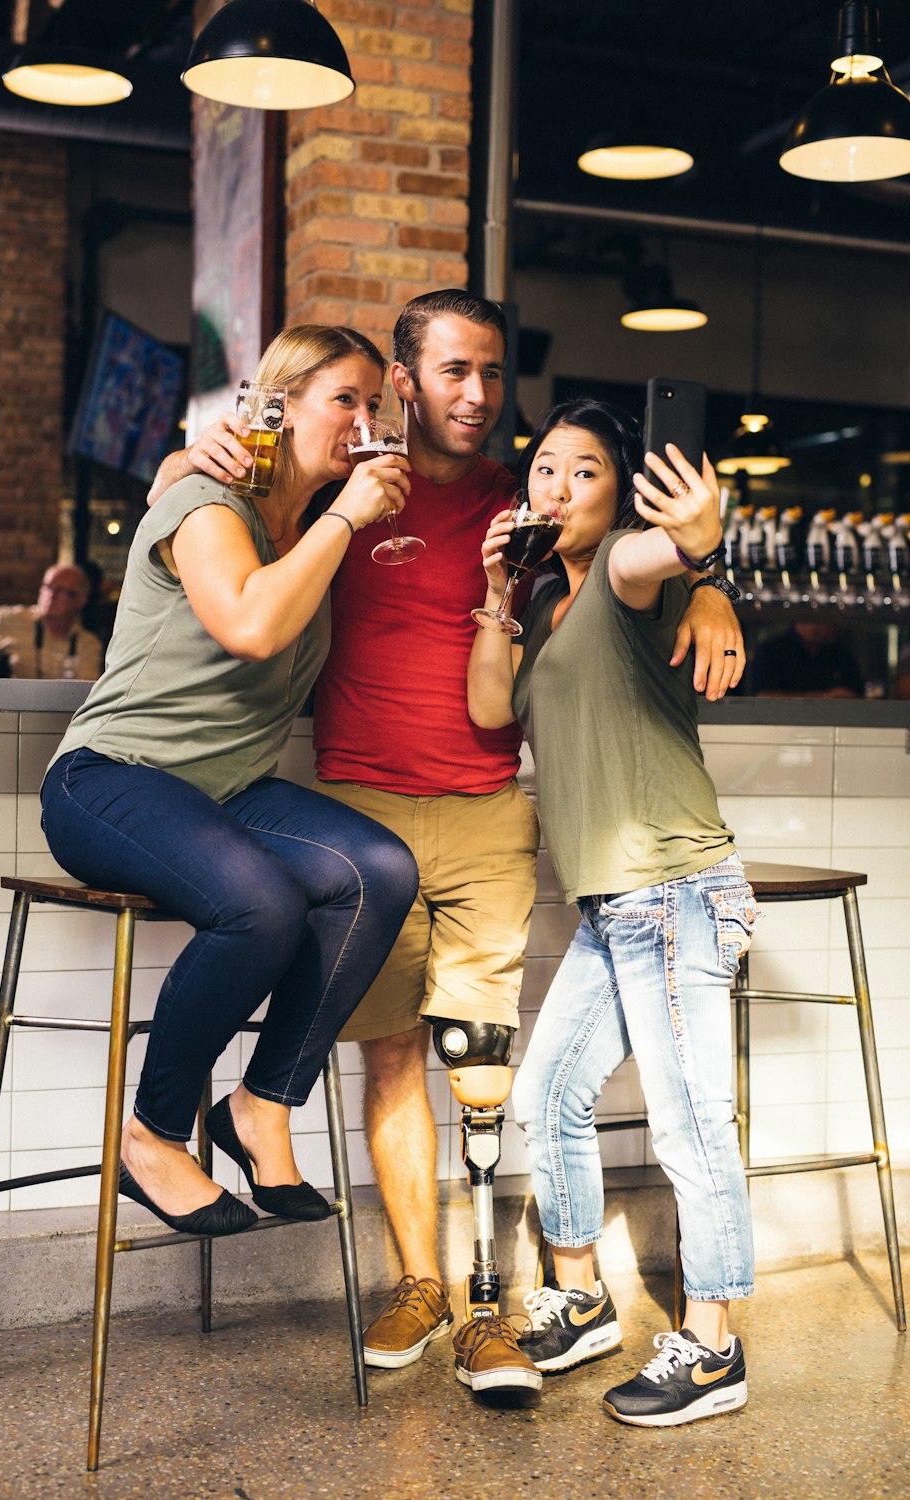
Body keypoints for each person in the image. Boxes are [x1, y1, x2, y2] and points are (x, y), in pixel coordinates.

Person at [148, 291, 745, 1378]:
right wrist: (193, 453)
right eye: (452, 373)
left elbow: (627, 563)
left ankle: (488, 1303)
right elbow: (215, 508)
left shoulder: (528, 505)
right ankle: (418, 1284)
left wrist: (711, 581)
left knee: (482, 1068)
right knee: (388, 1063)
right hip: (359, 817)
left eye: (491, 372)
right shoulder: (339, 487)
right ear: (405, 385)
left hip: (486, 817)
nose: (476, 395)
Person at [40, 325, 419, 1239]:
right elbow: (250, 625)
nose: (367, 422)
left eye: (378, 406)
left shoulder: (305, 526)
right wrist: (340, 519)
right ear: (279, 408)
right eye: (346, 401)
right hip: (112, 779)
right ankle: (153, 1133)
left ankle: (261, 1105)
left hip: (226, 789)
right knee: (261, 903)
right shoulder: (208, 501)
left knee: (378, 872)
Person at [468, 397, 758, 1426]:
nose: (555, 486)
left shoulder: (630, 578)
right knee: (544, 1100)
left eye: (583, 470)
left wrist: (703, 551)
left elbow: (664, 550)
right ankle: (583, 1299)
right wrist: (500, 591)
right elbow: (490, 711)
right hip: (609, 911)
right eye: (543, 467)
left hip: (677, 893)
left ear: (617, 489)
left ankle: (714, 1350)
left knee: (690, 1126)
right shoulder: (547, 610)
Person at [0, 562, 103, 680]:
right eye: (48, 587)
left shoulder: (88, 644)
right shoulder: (10, 619)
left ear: (80, 600)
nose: (50, 595)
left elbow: (86, 694)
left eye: (60, 591)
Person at [752, 620, 865, 698]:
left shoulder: (840, 653)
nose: (835, 626)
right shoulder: (772, 649)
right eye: (827, 620)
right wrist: (826, 697)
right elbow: (763, 696)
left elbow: (857, 695)